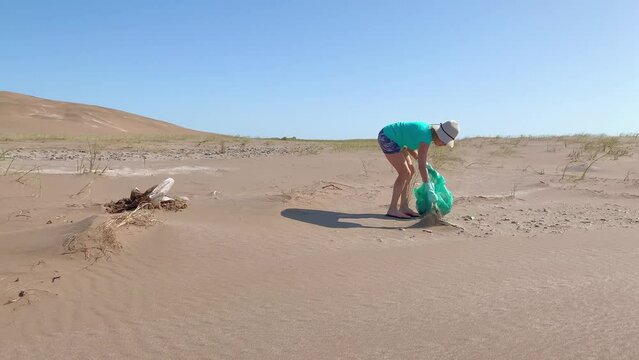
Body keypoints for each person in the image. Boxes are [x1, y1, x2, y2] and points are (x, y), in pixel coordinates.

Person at [378, 120, 459, 219]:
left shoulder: (426, 133)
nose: (444, 145)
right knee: (404, 173)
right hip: (387, 137)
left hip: (398, 141)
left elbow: (409, 146)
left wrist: (424, 163)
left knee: (410, 172)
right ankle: (392, 209)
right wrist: (429, 187)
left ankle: (403, 206)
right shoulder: (426, 136)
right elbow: (421, 166)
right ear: (440, 136)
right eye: (445, 142)